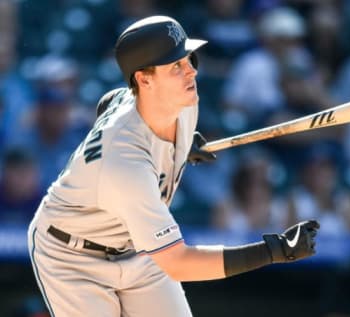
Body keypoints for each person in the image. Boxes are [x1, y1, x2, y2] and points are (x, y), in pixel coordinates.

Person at [27, 15, 319, 317]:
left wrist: (176, 146)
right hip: (73, 258)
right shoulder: (125, 165)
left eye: (187, 58)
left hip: (135, 249)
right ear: (144, 79)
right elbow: (178, 262)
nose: (191, 71)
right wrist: (274, 250)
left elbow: (110, 100)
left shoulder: (180, 101)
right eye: (176, 66)